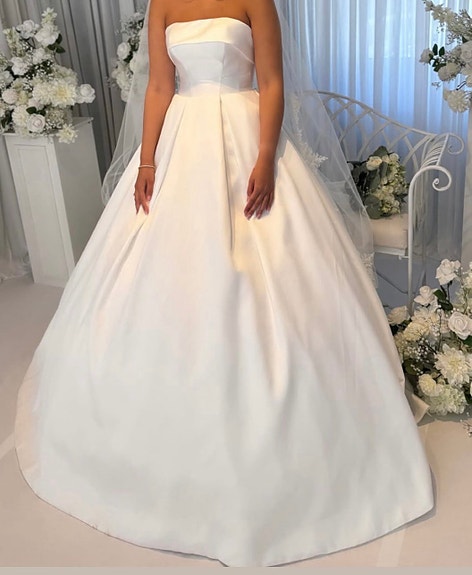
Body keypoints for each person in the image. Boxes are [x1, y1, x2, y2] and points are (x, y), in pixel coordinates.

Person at [15, 0, 434, 567]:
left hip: (246, 141)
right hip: (181, 145)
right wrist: (147, 162)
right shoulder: (163, 4)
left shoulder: (255, 0)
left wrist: (265, 158)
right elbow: (158, 86)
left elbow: (272, 81)